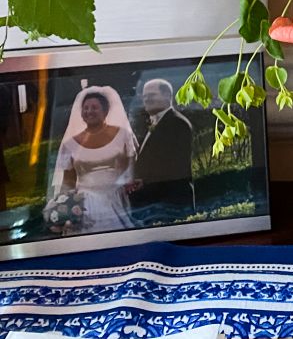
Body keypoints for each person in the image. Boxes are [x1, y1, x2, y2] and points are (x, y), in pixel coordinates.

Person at [49, 87, 138, 233]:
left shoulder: (123, 135)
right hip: (85, 204)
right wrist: (67, 209)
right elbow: (68, 181)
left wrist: (126, 184)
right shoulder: (70, 144)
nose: (89, 111)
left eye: (94, 107)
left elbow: (130, 167)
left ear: (106, 110)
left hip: (116, 199)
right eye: (85, 108)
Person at [129, 78, 195, 222]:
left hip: (172, 204)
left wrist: (144, 182)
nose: (146, 99)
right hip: (153, 203)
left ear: (167, 96)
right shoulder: (153, 123)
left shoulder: (178, 123)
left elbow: (176, 167)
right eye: (144, 96)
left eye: (151, 95)